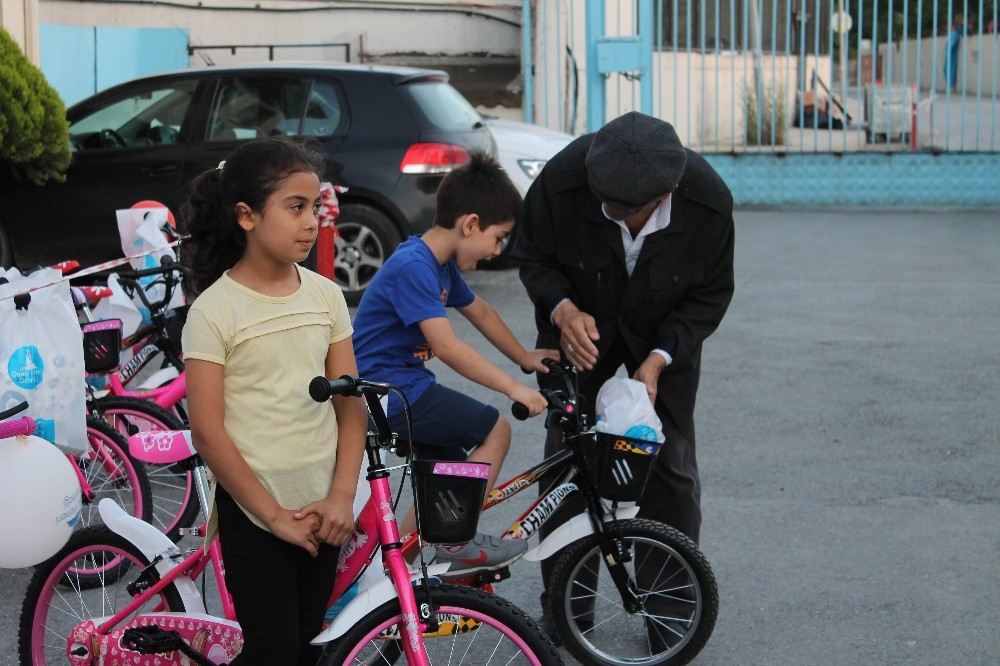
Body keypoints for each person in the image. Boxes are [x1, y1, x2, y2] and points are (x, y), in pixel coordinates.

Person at [512, 111, 734, 641]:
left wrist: (657, 360)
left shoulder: (707, 201)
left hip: (662, 343)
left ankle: (670, 612)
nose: (615, 214)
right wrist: (562, 310)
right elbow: (533, 257)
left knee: (669, 469)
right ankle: (568, 612)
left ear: (670, 189)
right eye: (606, 202)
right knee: (567, 469)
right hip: (576, 336)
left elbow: (709, 296)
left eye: (629, 209)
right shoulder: (563, 179)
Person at [181, 137, 367, 664]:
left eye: (314, 207)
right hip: (257, 515)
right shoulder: (215, 311)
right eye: (295, 207)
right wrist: (274, 516)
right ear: (246, 216)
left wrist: (341, 497)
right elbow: (208, 432)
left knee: (308, 640)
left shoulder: (326, 296)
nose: (311, 222)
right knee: (273, 650)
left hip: (325, 510)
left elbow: (349, 405)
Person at [351, 152, 558, 575]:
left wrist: (525, 360)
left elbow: (479, 310)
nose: (496, 250)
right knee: (494, 429)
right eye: (498, 238)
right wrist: (513, 388)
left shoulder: (438, 265)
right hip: (385, 393)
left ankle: (396, 576)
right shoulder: (414, 266)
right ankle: (454, 541)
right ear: (469, 224)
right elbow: (446, 347)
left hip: (400, 387)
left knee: (444, 478)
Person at [944, 14, 965, 93]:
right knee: (947, 69)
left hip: (951, 55)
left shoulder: (956, 33)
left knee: (952, 71)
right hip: (948, 55)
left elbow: (952, 44)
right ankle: (951, 87)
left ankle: (953, 88)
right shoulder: (953, 33)